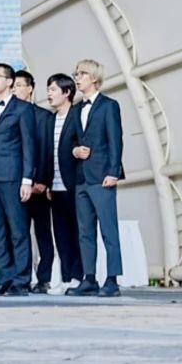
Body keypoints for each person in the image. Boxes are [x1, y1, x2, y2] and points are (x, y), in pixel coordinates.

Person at [66, 58, 125, 298]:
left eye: (81, 74)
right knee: (85, 231)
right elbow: (71, 140)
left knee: (108, 230)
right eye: (76, 73)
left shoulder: (109, 105)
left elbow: (115, 141)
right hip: (81, 177)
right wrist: (75, 151)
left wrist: (113, 172)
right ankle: (89, 278)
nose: (77, 78)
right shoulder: (76, 109)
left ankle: (112, 279)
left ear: (94, 77)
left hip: (102, 177)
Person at [0, 62, 34, 296]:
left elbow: (29, 145)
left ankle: (21, 280)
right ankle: (5, 277)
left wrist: (27, 179)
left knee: (18, 230)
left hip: (12, 176)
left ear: (10, 81)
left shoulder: (23, 108)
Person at [14, 70, 55, 293]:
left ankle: (44, 278)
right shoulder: (8, 115)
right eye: (13, 86)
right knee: (18, 233)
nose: (15, 90)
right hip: (14, 185)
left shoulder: (44, 116)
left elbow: (47, 150)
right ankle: (21, 277)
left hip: (38, 186)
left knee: (42, 233)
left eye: (19, 85)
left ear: (30, 88)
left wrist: (43, 180)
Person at [45, 73, 83, 288]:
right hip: (54, 187)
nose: (49, 94)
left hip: (74, 185)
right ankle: (66, 278)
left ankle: (78, 277)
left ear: (67, 92)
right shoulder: (49, 120)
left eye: (53, 89)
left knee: (78, 232)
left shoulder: (78, 116)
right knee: (60, 235)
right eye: (48, 89)